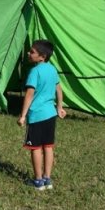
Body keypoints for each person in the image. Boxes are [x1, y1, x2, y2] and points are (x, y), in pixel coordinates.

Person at [17, 39, 66, 190]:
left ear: (42, 56)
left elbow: (29, 95)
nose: (28, 53)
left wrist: (23, 115)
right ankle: (47, 179)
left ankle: (38, 181)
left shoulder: (34, 71)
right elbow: (59, 89)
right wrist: (59, 107)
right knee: (48, 147)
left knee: (36, 148)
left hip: (37, 115)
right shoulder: (52, 69)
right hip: (50, 114)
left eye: (32, 52)